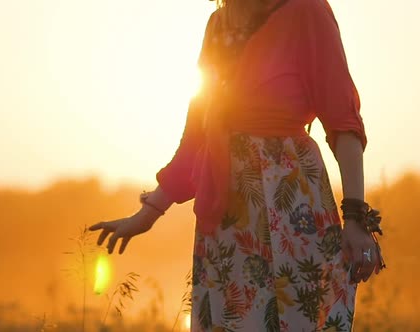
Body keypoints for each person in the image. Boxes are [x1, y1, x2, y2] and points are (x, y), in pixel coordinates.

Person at [89, 0, 385, 330]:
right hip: (226, 216)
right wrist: (148, 213)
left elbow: (343, 121)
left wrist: (356, 217)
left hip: (289, 206)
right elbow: (197, 136)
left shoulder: (307, 11)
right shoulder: (219, 24)